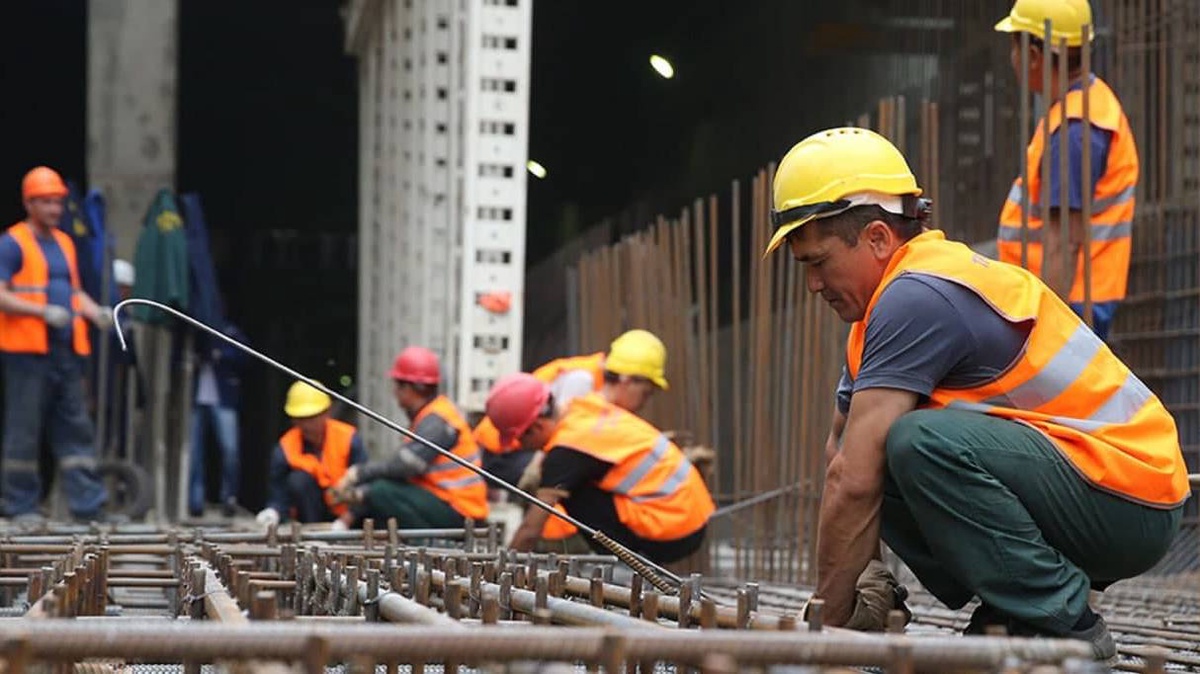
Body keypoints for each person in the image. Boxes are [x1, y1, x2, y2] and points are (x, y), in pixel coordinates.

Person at [763, 127, 1186, 659]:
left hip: (1133, 501)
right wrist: (866, 584)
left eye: (819, 262)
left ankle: (1062, 624)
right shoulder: (877, 314)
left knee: (916, 442)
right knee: (879, 449)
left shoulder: (919, 295)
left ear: (875, 237)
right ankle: (1012, 609)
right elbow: (843, 457)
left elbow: (853, 480)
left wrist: (822, 628)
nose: (813, 286)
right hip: (1088, 490)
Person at [994, 0, 1137, 341]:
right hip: (1074, 297)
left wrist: (1047, 333)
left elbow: (1064, 242)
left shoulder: (1076, 129)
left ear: (1033, 56)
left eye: (1015, 45)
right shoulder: (1083, 107)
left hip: (1071, 303)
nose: (1011, 58)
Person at [483, 372, 713, 564]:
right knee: (567, 481)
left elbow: (531, 530)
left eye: (519, 439)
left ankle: (626, 565)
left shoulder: (566, 452)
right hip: (691, 516)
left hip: (674, 531)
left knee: (570, 491)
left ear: (535, 427)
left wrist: (503, 569)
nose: (520, 446)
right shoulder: (584, 407)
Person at [477, 329, 671, 544]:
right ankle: (555, 539)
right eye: (646, 393)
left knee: (566, 476)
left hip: (522, 441)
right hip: (505, 452)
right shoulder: (583, 382)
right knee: (565, 478)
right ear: (627, 380)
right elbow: (565, 443)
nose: (644, 403)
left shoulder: (600, 386)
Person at [0, 167, 113, 522]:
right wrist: (42, 312)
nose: (54, 209)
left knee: (76, 427)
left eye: (58, 202)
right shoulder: (12, 243)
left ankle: (89, 506)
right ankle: (19, 506)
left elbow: (75, 292)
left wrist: (96, 313)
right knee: (24, 429)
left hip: (65, 352)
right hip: (26, 353)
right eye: (47, 202)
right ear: (29, 203)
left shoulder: (64, 243)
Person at [331, 347, 488, 529]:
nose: (394, 392)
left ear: (411, 388)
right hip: (449, 503)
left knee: (381, 492)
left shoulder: (437, 420)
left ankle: (427, 544)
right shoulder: (431, 415)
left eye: (398, 385)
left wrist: (358, 474)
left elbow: (404, 467)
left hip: (461, 511)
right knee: (381, 490)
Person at [256, 381, 368, 526]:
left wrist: (345, 521)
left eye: (312, 418)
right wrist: (274, 512)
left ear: (327, 413)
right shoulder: (286, 447)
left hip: (347, 514)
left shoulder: (348, 438)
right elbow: (279, 493)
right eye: (301, 419)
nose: (307, 425)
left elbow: (366, 487)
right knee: (298, 480)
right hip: (310, 514)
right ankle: (313, 533)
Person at [187, 322, 248, 518]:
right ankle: (195, 502)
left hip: (224, 400)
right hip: (196, 401)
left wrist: (218, 353)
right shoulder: (193, 332)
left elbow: (245, 357)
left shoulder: (230, 332)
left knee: (230, 450)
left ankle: (228, 498)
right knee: (195, 453)